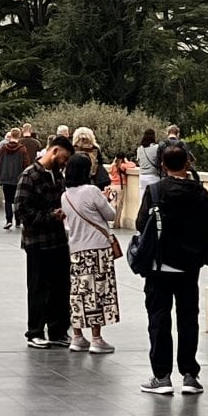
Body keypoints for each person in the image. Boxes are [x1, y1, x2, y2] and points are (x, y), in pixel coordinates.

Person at [136, 143, 208, 394]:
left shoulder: (155, 190)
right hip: (189, 267)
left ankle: (162, 376)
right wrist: (199, 257)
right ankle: (190, 373)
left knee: (159, 319)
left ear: (162, 165)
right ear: (187, 163)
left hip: (160, 266)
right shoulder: (201, 193)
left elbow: (141, 223)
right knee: (188, 318)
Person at [14, 134, 75, 348]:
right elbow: (22, 210)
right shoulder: (29, 175)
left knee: (61, 286)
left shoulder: (57, 175)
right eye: (64, 157)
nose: (65, 162)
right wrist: (50, 215)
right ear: (55, 151)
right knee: (39, 287)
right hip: (37, 242)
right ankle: (35, 332)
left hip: (58, 240)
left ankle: (58, 330)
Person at [61, 153, 119, 354]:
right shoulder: (92, 191)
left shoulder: (65, 195)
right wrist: (108, 199)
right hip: (98, 248)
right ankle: (96, 338)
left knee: (78, 292)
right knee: (98, 292)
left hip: (76, 249)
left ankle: (77, 336)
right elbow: (110, 215)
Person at [0, 128, 28, 230]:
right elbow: (26, 164)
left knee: (8, 200)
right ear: (19, 136)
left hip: (6, 177)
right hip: (18, 178)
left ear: (11, 136)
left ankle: (9, 220)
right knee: (18, 200)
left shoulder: (4, 148)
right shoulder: (22, 149)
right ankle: (18, 220)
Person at [107, 151, 136, 229]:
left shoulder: (113, 166)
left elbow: (110, 171)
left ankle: (110, 221)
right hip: (120, 186)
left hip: (113, 186)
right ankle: (116, 223)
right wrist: (126, 161)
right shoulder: (123, 165)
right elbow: (133, 165)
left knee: (113, 204)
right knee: (119, 205)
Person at [136, 128, 160, 199]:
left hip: (142, 176)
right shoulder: (156, 148)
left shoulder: (139, 149)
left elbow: (139, 162)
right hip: (153, 176)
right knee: (154, 199)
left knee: (142, 198)